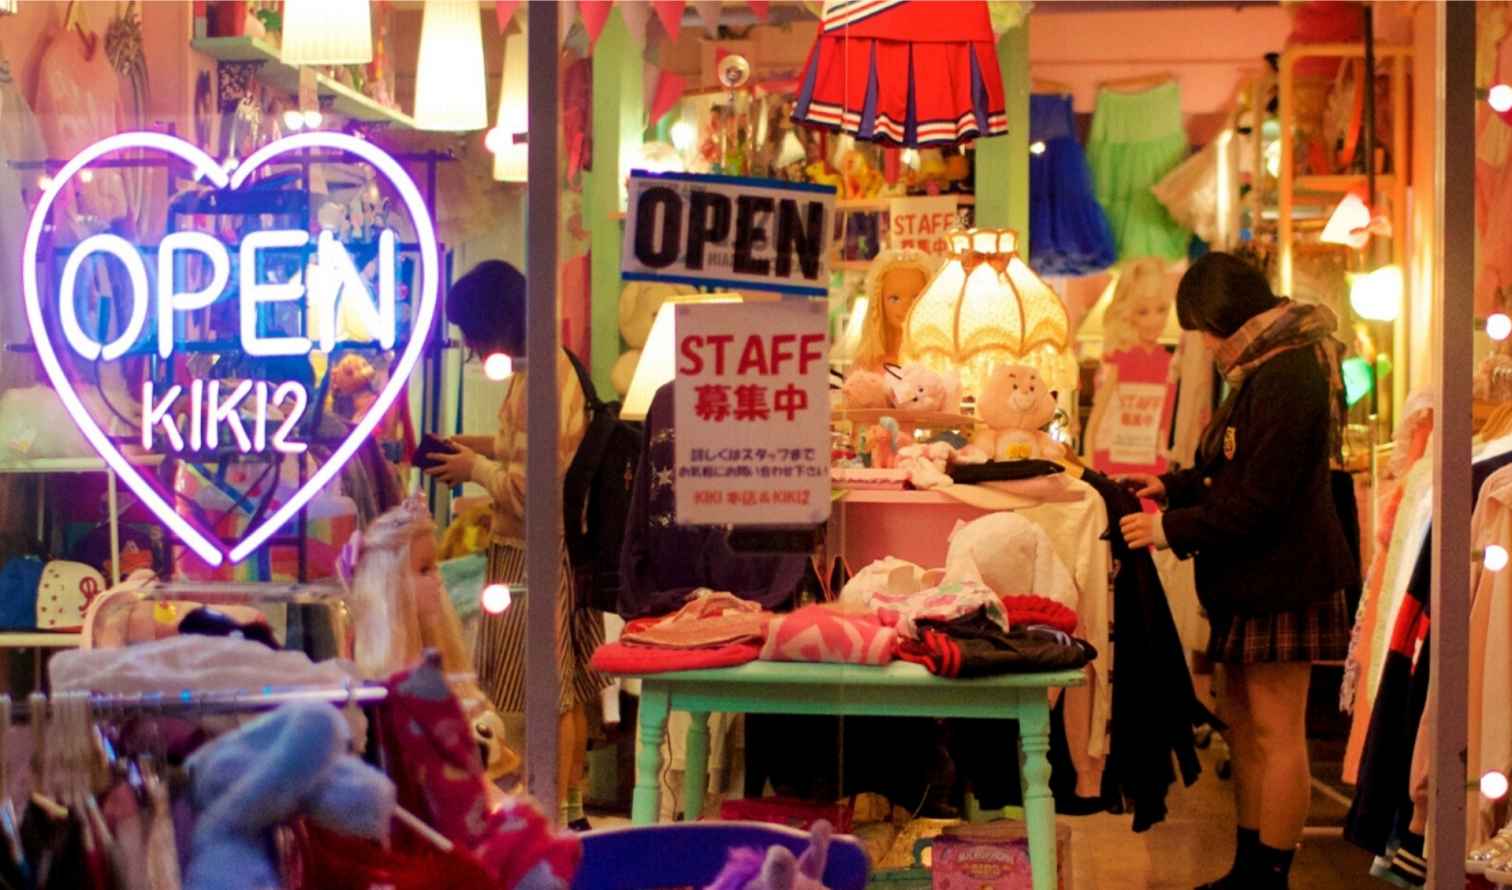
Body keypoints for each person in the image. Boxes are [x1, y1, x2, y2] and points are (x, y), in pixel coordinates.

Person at [1117, 252, 1356, 890]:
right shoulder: (1264, 365)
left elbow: (1261, 498)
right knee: (1248, 728)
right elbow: (1233, 470)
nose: (1203, 345)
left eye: (1201, 328)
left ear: (1223, 317)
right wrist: (1172, 488)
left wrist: (1170, 529)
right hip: (1254, 576)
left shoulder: (1287, 371)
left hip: (1284, 578)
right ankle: (1249, 868)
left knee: (1277, 732)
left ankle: (1268, 875)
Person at [424, 260, 606, 831]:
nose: (473, 347)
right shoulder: (538, 369)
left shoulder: (543, 379)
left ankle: (551, 814)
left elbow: (536, 487)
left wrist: (473, 466)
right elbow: (524, 455)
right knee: (563, 686)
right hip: (548, 551)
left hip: (539, 552)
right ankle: (564, 811)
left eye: (474, 333)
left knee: (548, 690)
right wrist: (467, 450)